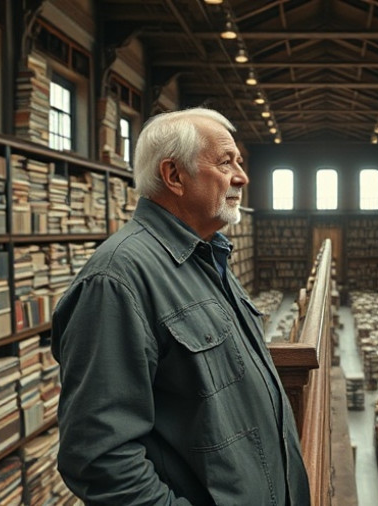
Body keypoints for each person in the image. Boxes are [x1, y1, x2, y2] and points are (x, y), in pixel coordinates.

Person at [51, 107, 311, 505]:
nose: (242, 177)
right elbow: (99, 460)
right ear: (174, 175)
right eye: (225, 162)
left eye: (239, 163)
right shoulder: (116, 280)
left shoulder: (206, 256)